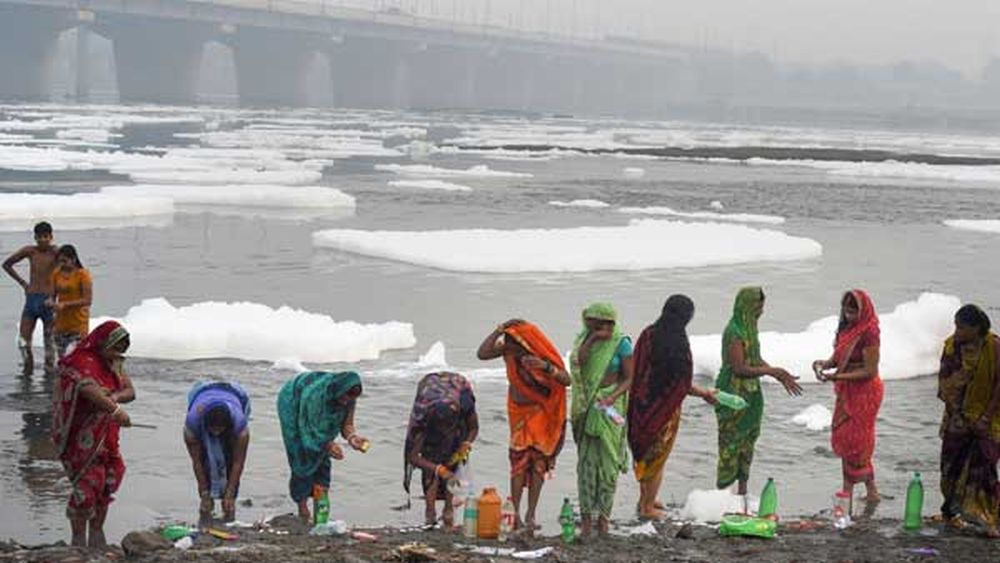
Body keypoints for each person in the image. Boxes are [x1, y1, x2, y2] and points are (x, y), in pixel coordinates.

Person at [628, 295, 719, 520]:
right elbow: (681, 383)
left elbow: (637, 369)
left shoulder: (648, 334)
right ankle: (647, 507)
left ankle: (644, 499)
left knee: (644, 454)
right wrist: (704, 394)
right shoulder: (678, 342)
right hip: (664, 411)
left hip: (641, 407)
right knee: (657, 459)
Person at [477, 319, 569, 533]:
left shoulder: (539, 354)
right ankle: (515, 513)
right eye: (506, 342)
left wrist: (545, 367)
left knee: (538, 464)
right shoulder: (508, 352)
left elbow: (566, 380)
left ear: (524, 342)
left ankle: (531, 514)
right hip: (519, 414)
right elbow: (482, 354)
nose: (508, 346)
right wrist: (499, 329)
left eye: (512, 342)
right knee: (518, 464)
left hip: (542, 415)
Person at [50, 321, 134, 548]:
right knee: (88, 484)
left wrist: (114, 398)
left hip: (106, 433)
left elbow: (129, 391)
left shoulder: (114, 363)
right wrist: (114, 408)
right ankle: (78, 538)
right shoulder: (81, 361)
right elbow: (87, 388)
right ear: (102, 343)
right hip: (80, 434)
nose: (117, 354)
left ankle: (97, 532)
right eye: (115, 348)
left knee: (109, 478)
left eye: (121, 350)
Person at [715, 287, 801, 502]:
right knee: (730, 442)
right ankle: (722, 494)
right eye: (758, 306)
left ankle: (742, 490)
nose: (761, 311)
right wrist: (771, 371)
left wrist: (778, 373)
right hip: (733, 393)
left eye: (762, 306)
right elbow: (739, 368)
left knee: (748, 440)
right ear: (747, 305)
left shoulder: (749, 328)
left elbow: (755, 359)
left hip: (752, 395)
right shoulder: (734, 331)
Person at [812, 290, 884, 504]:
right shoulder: (847, 328)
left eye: (853, 312)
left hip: (865, 392)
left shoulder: (869, 332)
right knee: (845, 437)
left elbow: (870, 370)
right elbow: (839, 357)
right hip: (846, 390)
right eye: (846, 311)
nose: (849, 315)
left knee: (858, 441)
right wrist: (824, 364)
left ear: (863, 311)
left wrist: (839, 376)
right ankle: (871, 490)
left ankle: (849, 490)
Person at [569, 303, 633, 537]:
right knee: (587, 465)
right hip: (587, 405)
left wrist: (612, 397)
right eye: (590, 322)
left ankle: (604, 518)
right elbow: (579, 363)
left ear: (610, 322)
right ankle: (586, 518)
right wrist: (592, 338)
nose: (594, 326)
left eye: (600, 322)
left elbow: (629, 378)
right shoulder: (583, 340)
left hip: (610, 406)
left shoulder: (621, 343)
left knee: (608, 465)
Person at [937, 304, 1000, 537]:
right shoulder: (952, 347)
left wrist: (984, 417)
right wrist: (960, 415)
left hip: (988, 418)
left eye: (962, 327)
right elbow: (945, 382)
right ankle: (952, 511)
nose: (957, 331)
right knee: (950, 466)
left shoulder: (993, 347)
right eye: (955, 326)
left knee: (984, 468)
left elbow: (998, 384)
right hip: (957, 417)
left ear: (976, 328)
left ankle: (987, 517)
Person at [277, 371, 368, 521]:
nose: (346, 402)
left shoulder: (349, 395)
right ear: (339, 390)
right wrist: (327, 444)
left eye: (350, 399)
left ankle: (320, 514)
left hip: (315, 415)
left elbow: (347, 424)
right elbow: (306, 428)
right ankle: (303, 509)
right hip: (293, 400)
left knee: (322, 461)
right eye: (344, 398)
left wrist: (352, 438)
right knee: (301, 455)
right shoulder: (315, 395)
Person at [403, 372, 479, 528]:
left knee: (453, 460)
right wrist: (438, 469)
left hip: (457, 411)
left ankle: (448, 509)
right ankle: (430, 513)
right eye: (442, 426)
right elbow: (413, 456)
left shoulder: (464, 405)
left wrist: (466, 443)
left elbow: (474, 427)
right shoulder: (422, 417)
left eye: (447, 425)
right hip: (433, 408)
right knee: (431, 464)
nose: (445, 429)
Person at [184, 381, 251, 524]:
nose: (216, 433)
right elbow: (196, 461)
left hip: (235, 393)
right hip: (201, 393)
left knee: (229, 457)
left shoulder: (239, 425)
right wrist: (204, 493)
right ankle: (208, 502)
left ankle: (228, 503)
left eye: (220, 430)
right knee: (205, 458)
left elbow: (238, 462)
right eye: (213, 430)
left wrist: (230, 492)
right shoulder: (193, 422)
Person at [3, 221, 58, 375]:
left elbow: (72, 270)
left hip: (48, 302)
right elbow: (7, 264)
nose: (42, 240)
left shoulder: (56, 252)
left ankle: (48, 381)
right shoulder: (30, 251)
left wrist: (56, 294)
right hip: (31, 300)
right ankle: (28, 371)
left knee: (49, 344)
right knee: (23, 342)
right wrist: (23, 284)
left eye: (46, 237)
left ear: (51, 237)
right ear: (35, 237)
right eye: (39, 237)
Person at [47, 245, 92, 359]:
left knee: (74, 357)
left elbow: (87, 300)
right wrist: (50, 302)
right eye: (60, 261)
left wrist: (65, 304)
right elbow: (52, 296)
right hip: (60, 325)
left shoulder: (83, 274)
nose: (62, 264)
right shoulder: (56, 274)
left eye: (64, 261)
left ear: (73, 259)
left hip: (78, 325)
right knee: (63, 361)